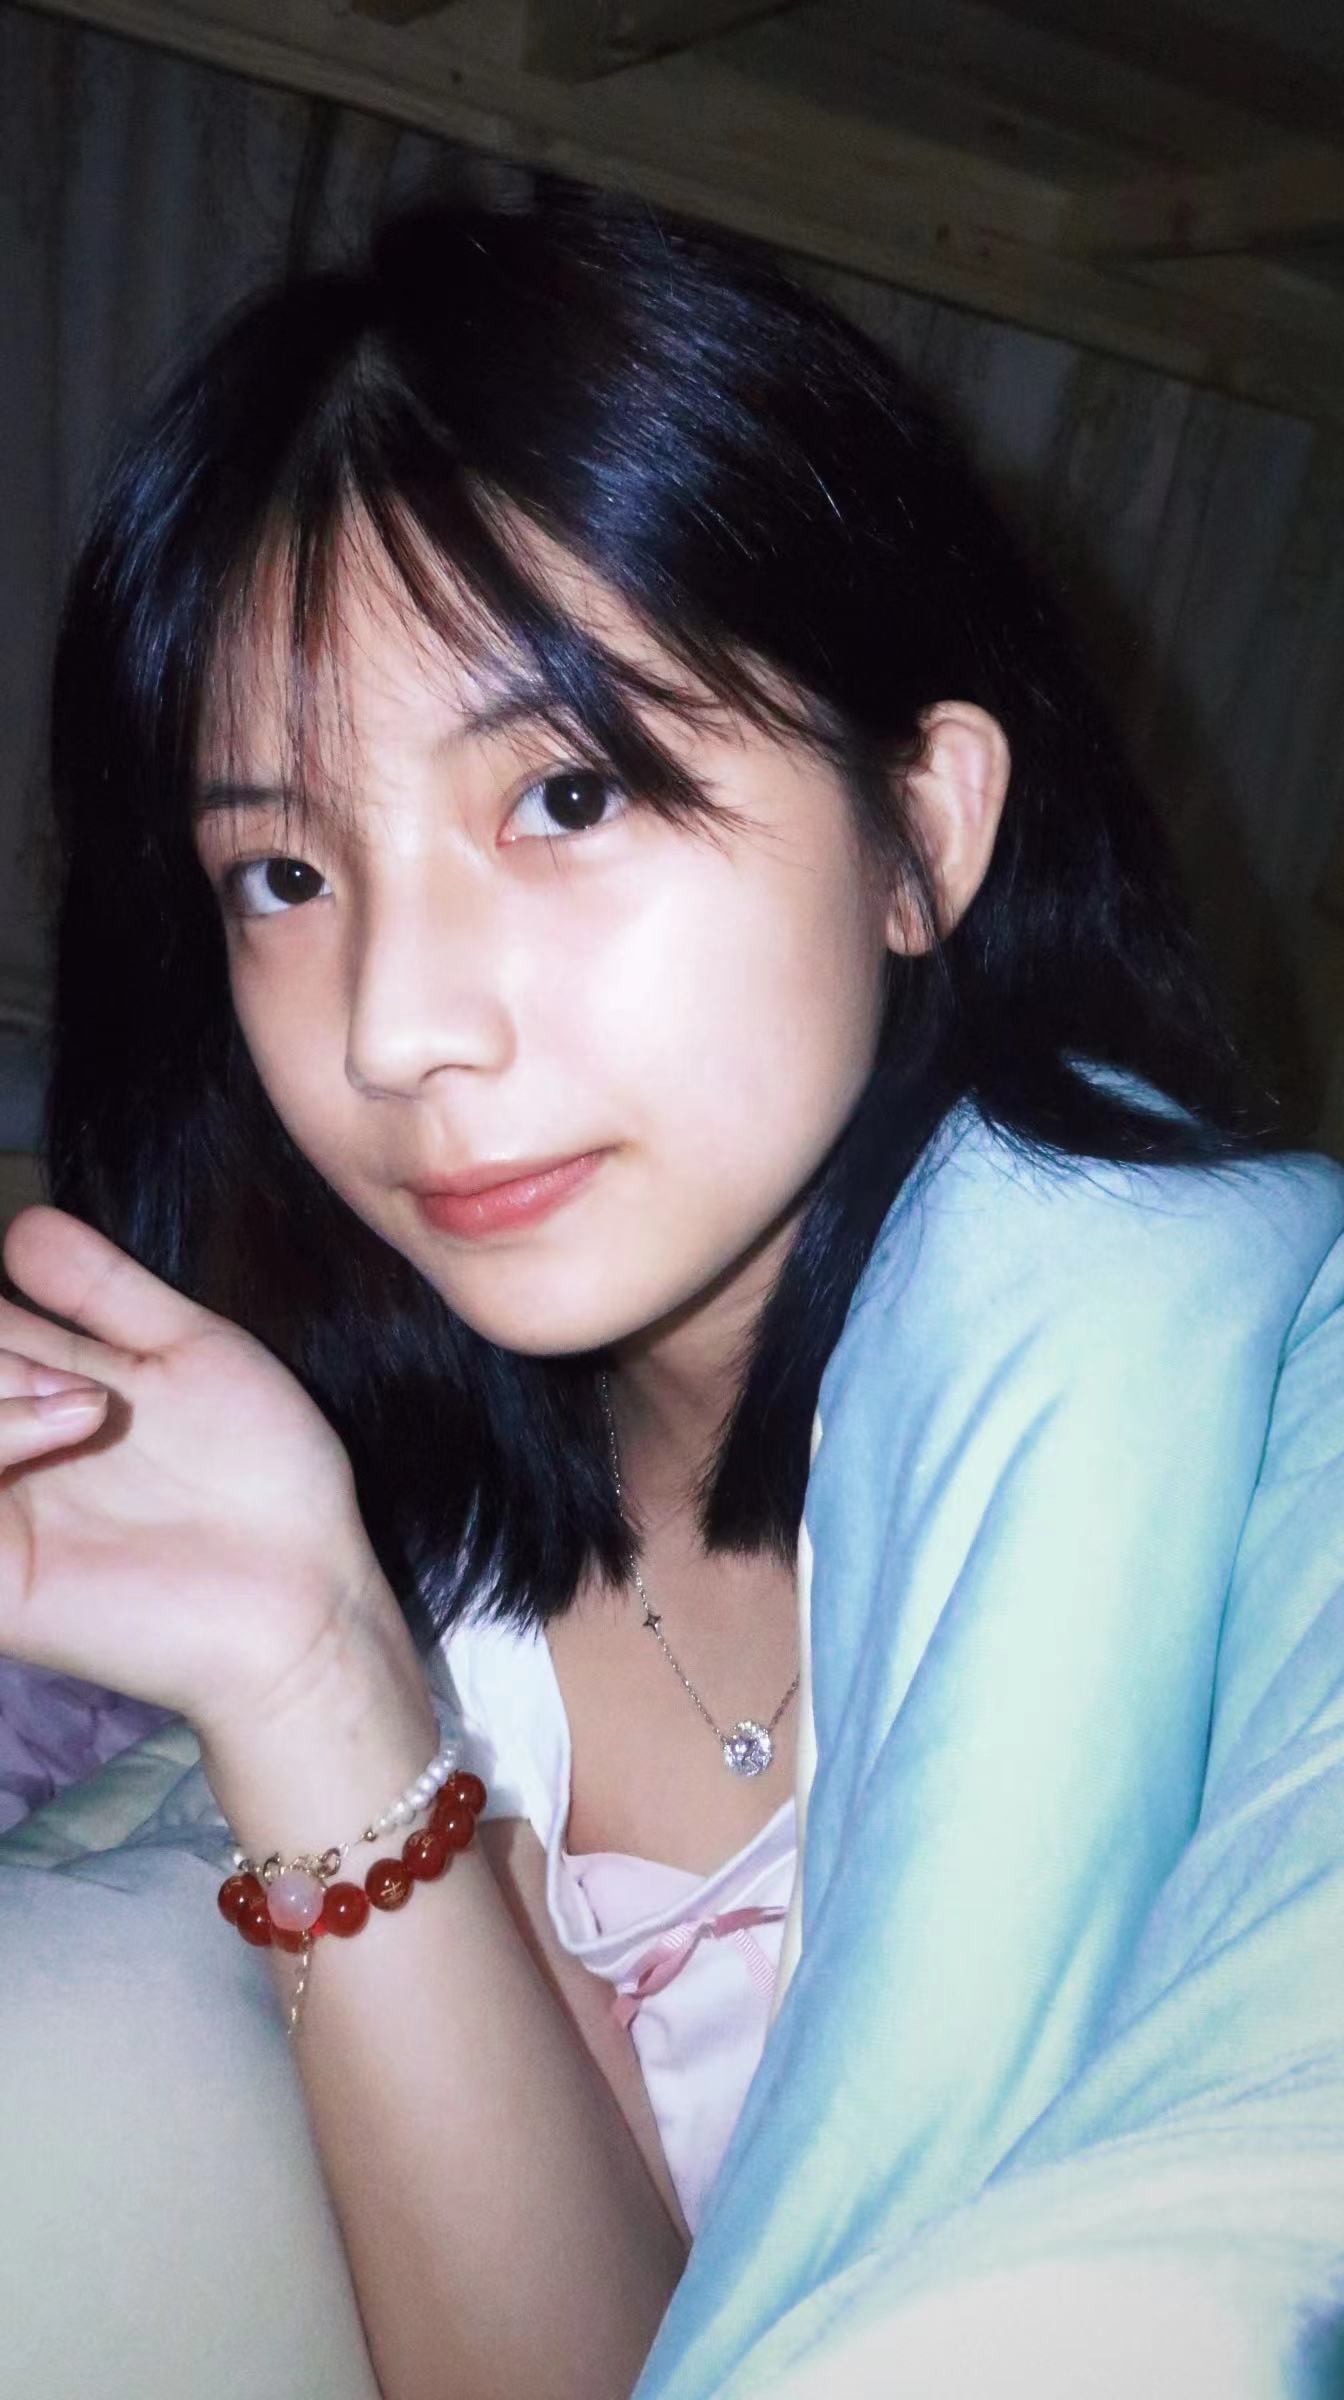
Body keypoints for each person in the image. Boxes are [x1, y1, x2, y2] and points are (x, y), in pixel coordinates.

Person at [0, 175, 1340, 2400]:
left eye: (568, 793)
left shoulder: (1253, 1419)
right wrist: (304, 1663)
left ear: (924, 833)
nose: (395, 1025)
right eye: (285, 871)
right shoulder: (445, 1585)